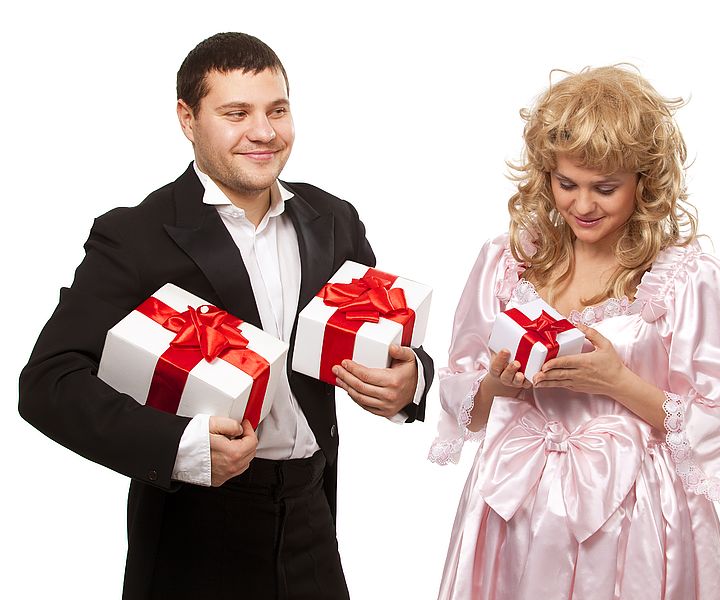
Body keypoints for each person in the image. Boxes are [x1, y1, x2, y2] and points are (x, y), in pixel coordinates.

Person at [19, 32, 433, 600]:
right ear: (188, 119)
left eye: (277, 110)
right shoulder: (133, 235)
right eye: (236, 113)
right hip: (195, 536)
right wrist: (181, 444)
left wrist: (413, 379)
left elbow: (381, 336)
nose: (264, 133)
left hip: (313, 518)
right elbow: (48, 383)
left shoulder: (334, 219)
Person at [428, 65, 720, 599]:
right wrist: (498, 384)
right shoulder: (509, 263)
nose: (583, 205)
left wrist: (619, 381)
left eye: (606, 188)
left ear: (645, 182)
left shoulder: (687, 280)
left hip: (632, 516)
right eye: (566, 184)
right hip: (512, 505)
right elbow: (463, 404)